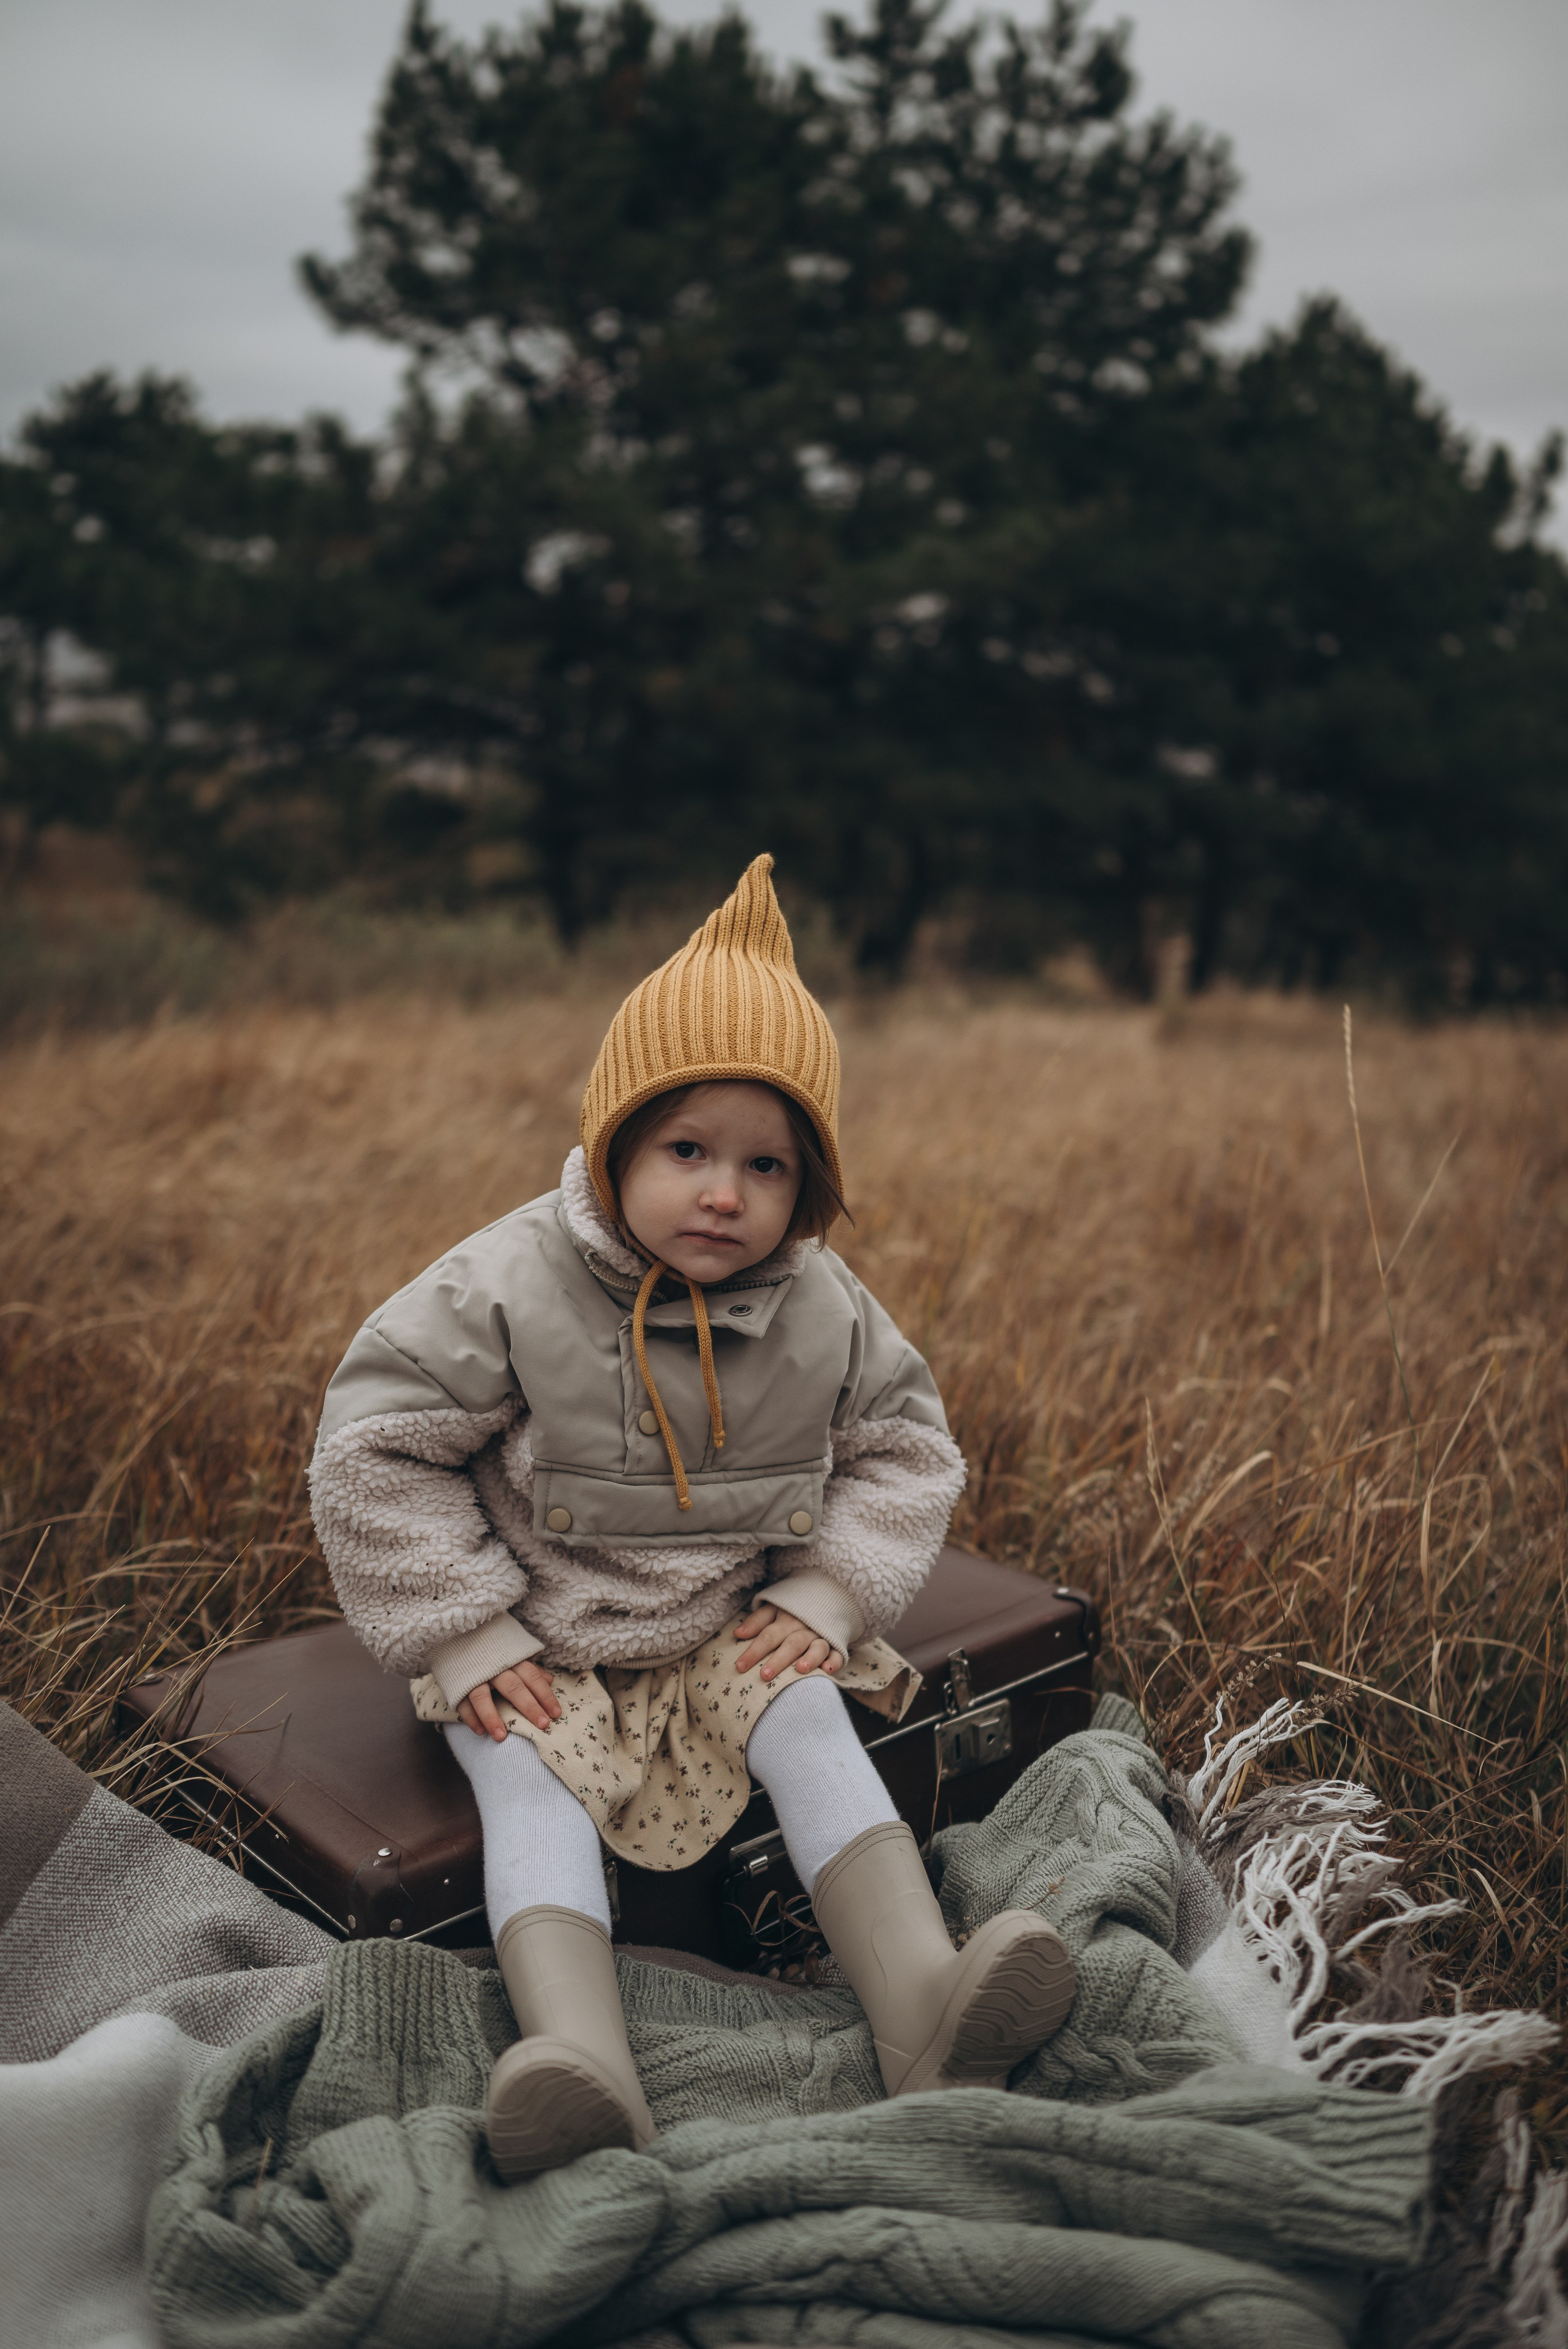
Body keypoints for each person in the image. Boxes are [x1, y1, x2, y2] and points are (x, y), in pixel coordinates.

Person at [309, 854, 1074, 2179]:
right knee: (531, 1789)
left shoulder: (822, 1303)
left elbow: (905, 1447)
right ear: (613, 1142)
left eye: (766, 1164)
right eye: (685, 1150)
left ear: (808, 1186)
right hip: (540, 1646)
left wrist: (829, 1590)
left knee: (815, 1723)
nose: (723, 1192)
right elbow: (373, 1449)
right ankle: (582, 2066)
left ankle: (923, 2011)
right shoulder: (505, 1284)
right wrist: (463, 1630)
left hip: (731, 1624)